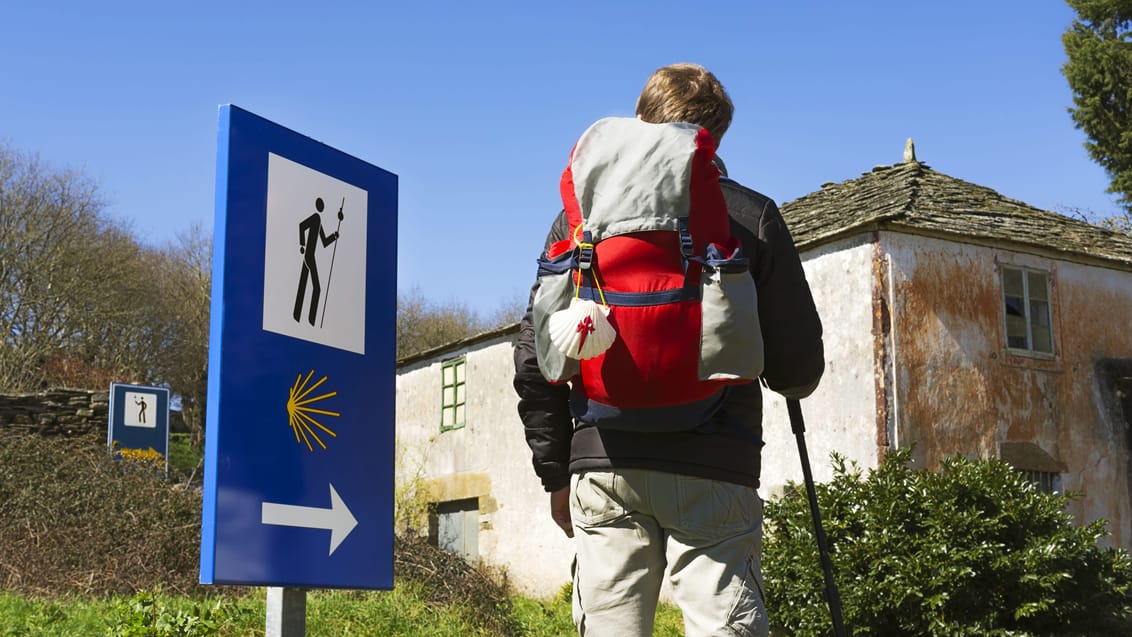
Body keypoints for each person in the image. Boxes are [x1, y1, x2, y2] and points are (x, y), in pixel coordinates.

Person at [512, 63, 825, 637]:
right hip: (714, 464)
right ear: (715, 135)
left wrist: (556, 472)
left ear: (638, 120)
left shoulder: (578, 219)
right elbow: (797, 368)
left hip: (603, 462)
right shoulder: (748, 215)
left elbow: (537, 358)